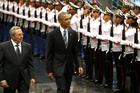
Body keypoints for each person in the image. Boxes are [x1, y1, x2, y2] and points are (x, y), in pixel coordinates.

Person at [46, 12, 84, 93]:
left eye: (69, 19)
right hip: (58, 66)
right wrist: (49, 70)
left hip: (69, 67)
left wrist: (79, 65)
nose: (69, 21)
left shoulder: (73, 33)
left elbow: (76, 52)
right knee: (61, 89)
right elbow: (49, 53)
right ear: (60, 21)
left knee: (66, 89)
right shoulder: (52, 34)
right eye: (66, 19)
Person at [0, 26, 36, 93]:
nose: (22, 36)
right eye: (19, 35)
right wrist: (1, 79)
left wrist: (32, 77)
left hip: (24, 79)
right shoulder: (3, 47)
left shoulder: (27, 46)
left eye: (22, 34)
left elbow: (30, 64)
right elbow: (0, 64)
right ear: (12, 36)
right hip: (9, 80)